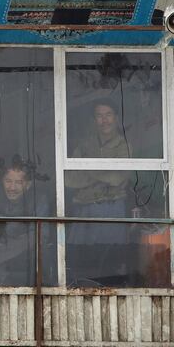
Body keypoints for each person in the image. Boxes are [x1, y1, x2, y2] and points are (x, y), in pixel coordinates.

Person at [66, 99, 134, 286]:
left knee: (111, 264)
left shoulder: (124, 145)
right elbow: (70, 179)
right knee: (81, 263)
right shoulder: (85, 145)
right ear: (94, 120)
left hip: (111, 208)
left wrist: (87, 171)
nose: (104, 120)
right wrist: (102, 174)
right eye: (99, 115)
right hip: (85, 209)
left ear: (116, 118)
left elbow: (118, 178)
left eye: (108, 115)